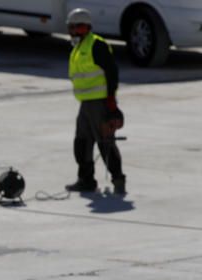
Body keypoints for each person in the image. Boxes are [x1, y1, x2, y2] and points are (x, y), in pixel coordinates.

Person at [65, 8, 126, 195]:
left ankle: (118, 180)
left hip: (99, 103)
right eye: (72, 28)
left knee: (105, 143)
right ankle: (86, 180)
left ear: (86, 28)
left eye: (78, 27)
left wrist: (111, 103)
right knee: (82, 142)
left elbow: (112, 73)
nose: (74, 31)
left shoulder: (96, 45)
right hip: (85, 104)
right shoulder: (78, 48)